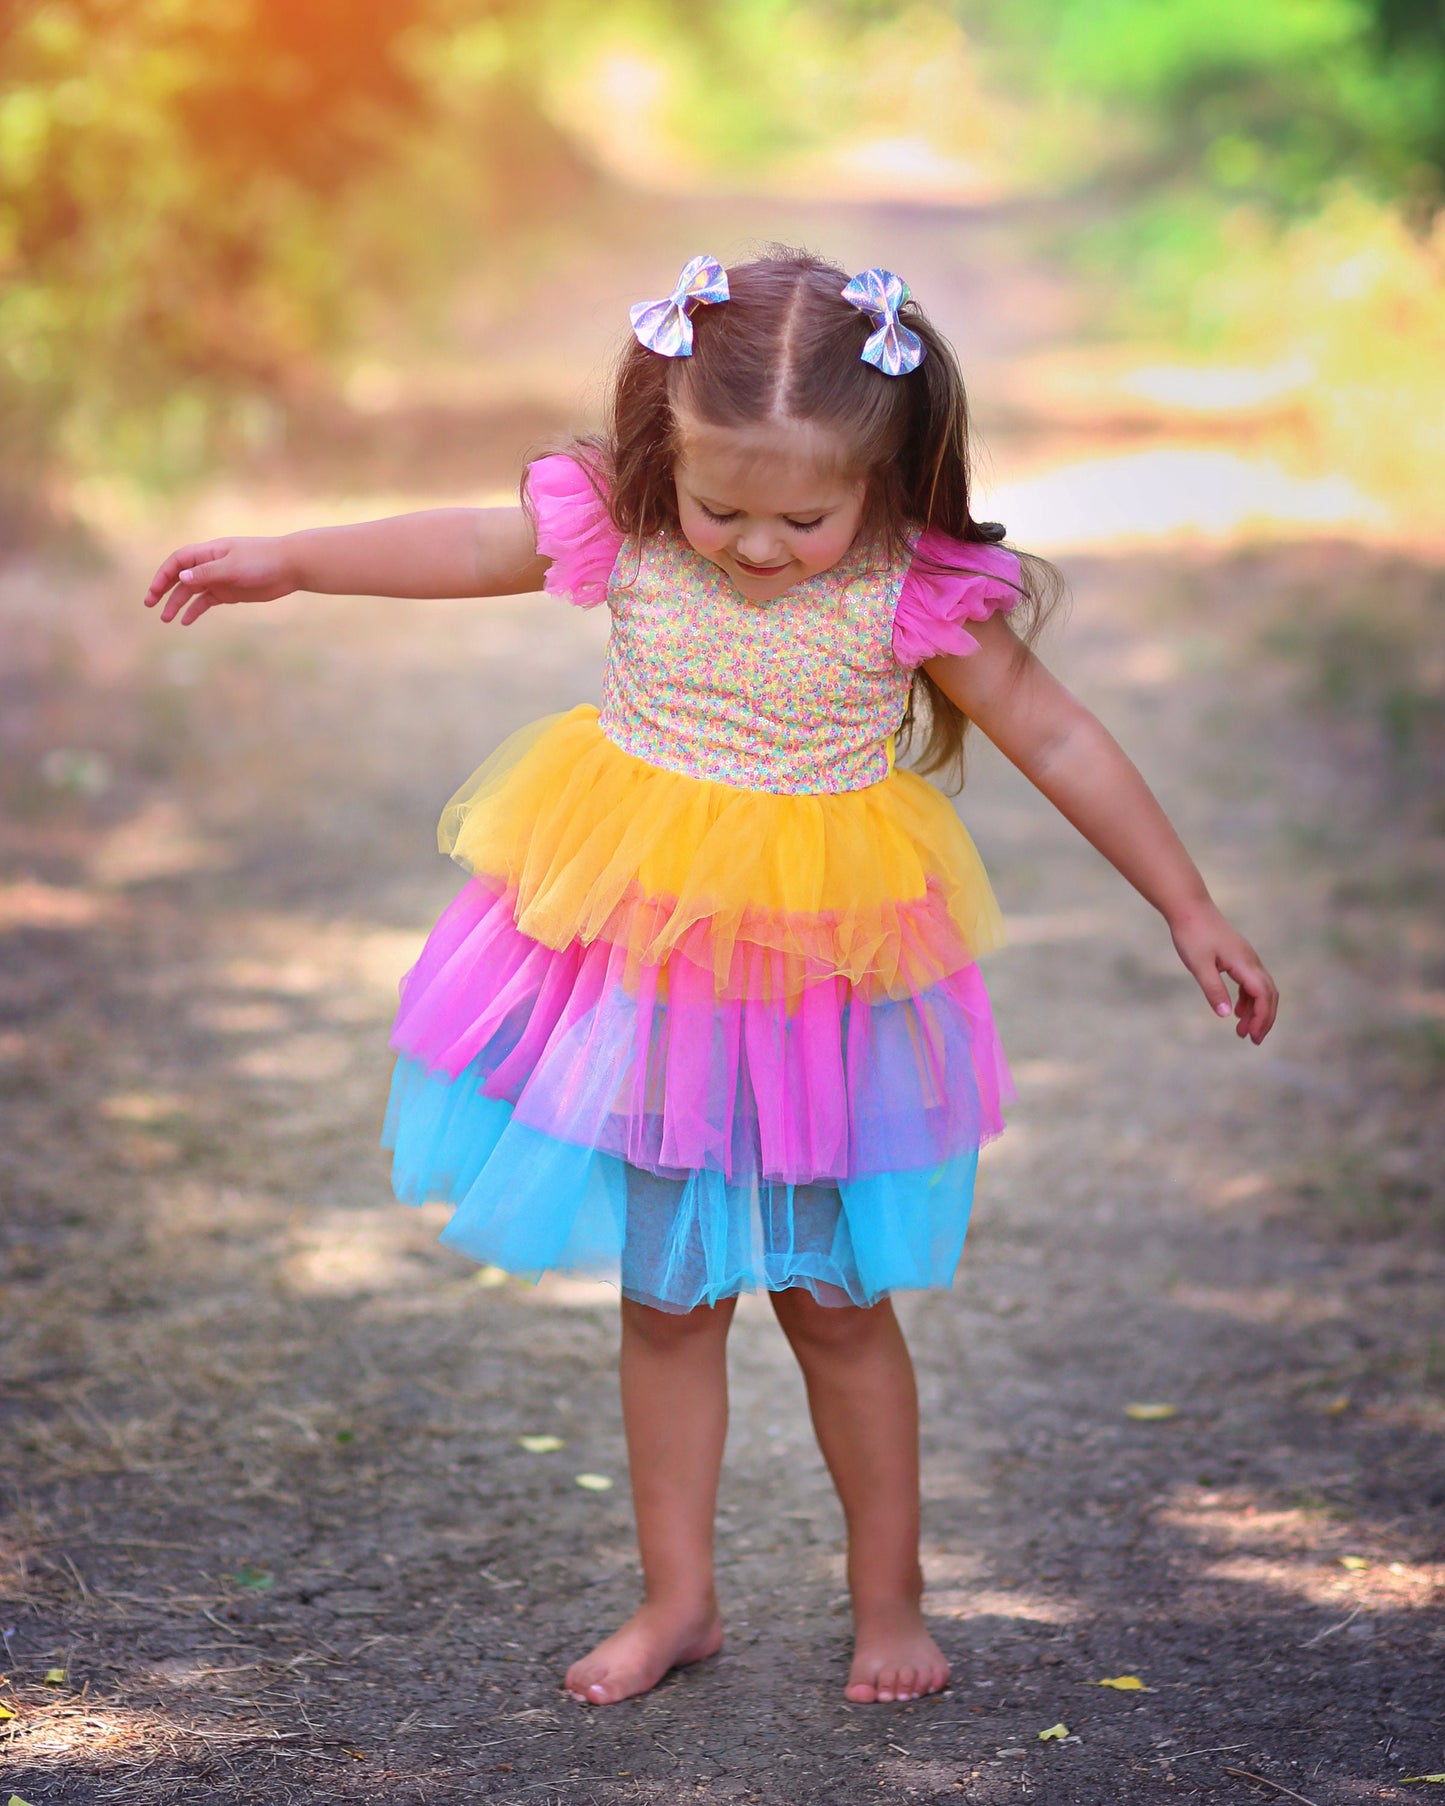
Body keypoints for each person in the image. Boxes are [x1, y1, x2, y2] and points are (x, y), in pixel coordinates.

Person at [143, 247, 1278, 1710]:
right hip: (651, 976)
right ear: (660, 459)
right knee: (668, 1297)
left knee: (834, 1298)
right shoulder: (624, 531)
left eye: (802, 515)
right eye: (718, 507)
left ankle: (890, 1596)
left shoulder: (907, 591)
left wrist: (1182, 901)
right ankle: (678, 1596)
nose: (753, 546)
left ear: (879, 477)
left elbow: (1053, 736)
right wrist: (291, 559)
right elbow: (459, 547)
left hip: (820, 993)